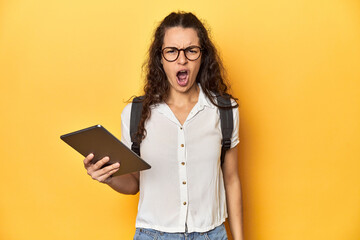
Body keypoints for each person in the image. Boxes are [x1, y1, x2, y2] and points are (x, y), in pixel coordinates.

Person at [83, 11, 243, 240]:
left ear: (202, 55)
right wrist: (108, 176)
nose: (182, 59)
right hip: (153, 235)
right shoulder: (134, 114)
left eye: (191, 50)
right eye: (171, 51)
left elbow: (232, 179)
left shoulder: (225, 111)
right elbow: (133, 183)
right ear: (160, 57)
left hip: (212, 234)